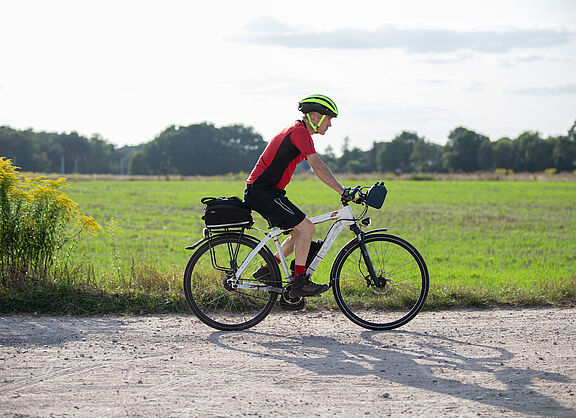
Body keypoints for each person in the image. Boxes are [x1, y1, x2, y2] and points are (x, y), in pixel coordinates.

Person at [244, 94, 347, 298]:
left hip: (267, 191)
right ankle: (299, 282)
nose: (330, 125)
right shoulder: (298, 132)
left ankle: (267, 268)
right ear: (315, 117)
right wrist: (343, 191)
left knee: (300, 232)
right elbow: (317, 167)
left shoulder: (300, 132)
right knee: (307, 228)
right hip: (262, 191)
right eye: (329, 119)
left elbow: (316, 167)